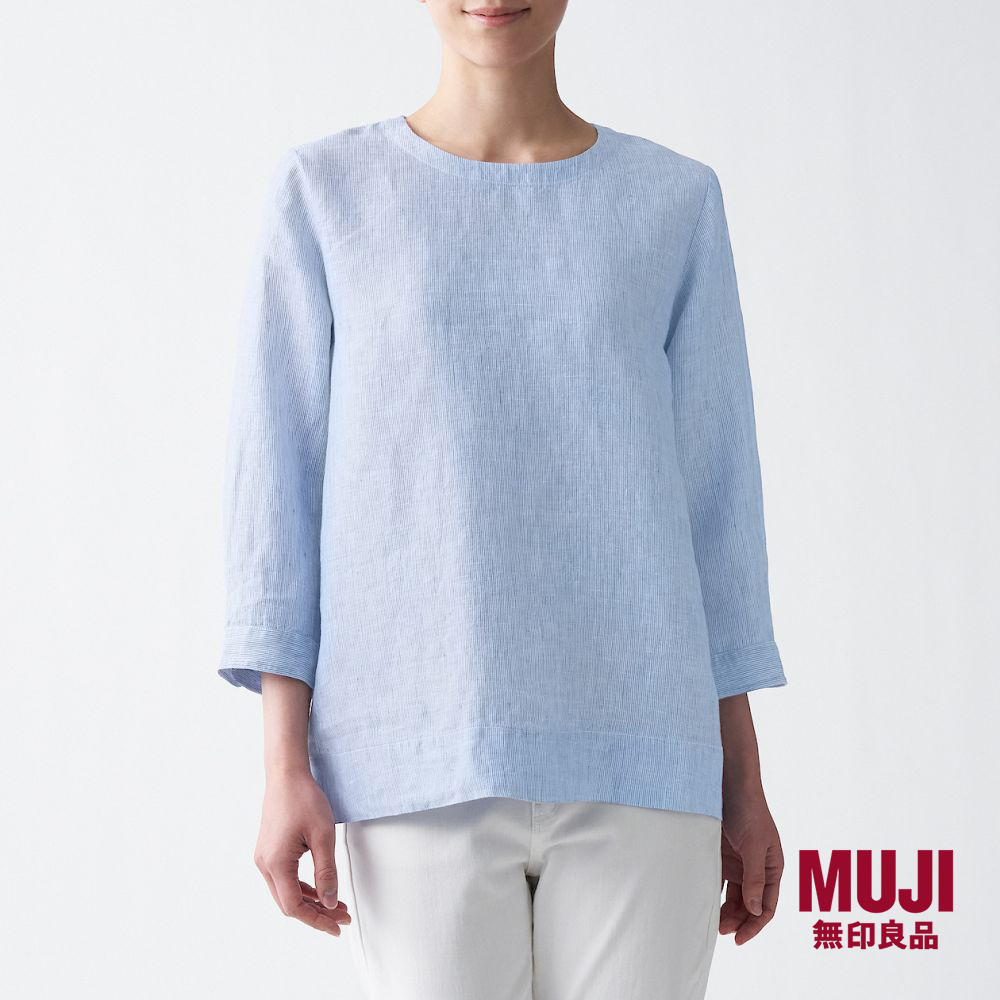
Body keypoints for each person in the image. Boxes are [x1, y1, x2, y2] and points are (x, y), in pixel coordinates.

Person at [217, 1, 788, 997]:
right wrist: (281, 767)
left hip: (645, 754)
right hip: (412, 758)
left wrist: (743, 776)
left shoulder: (674, 203)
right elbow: (279, 493)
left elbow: (715, 508)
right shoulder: (326, 194)